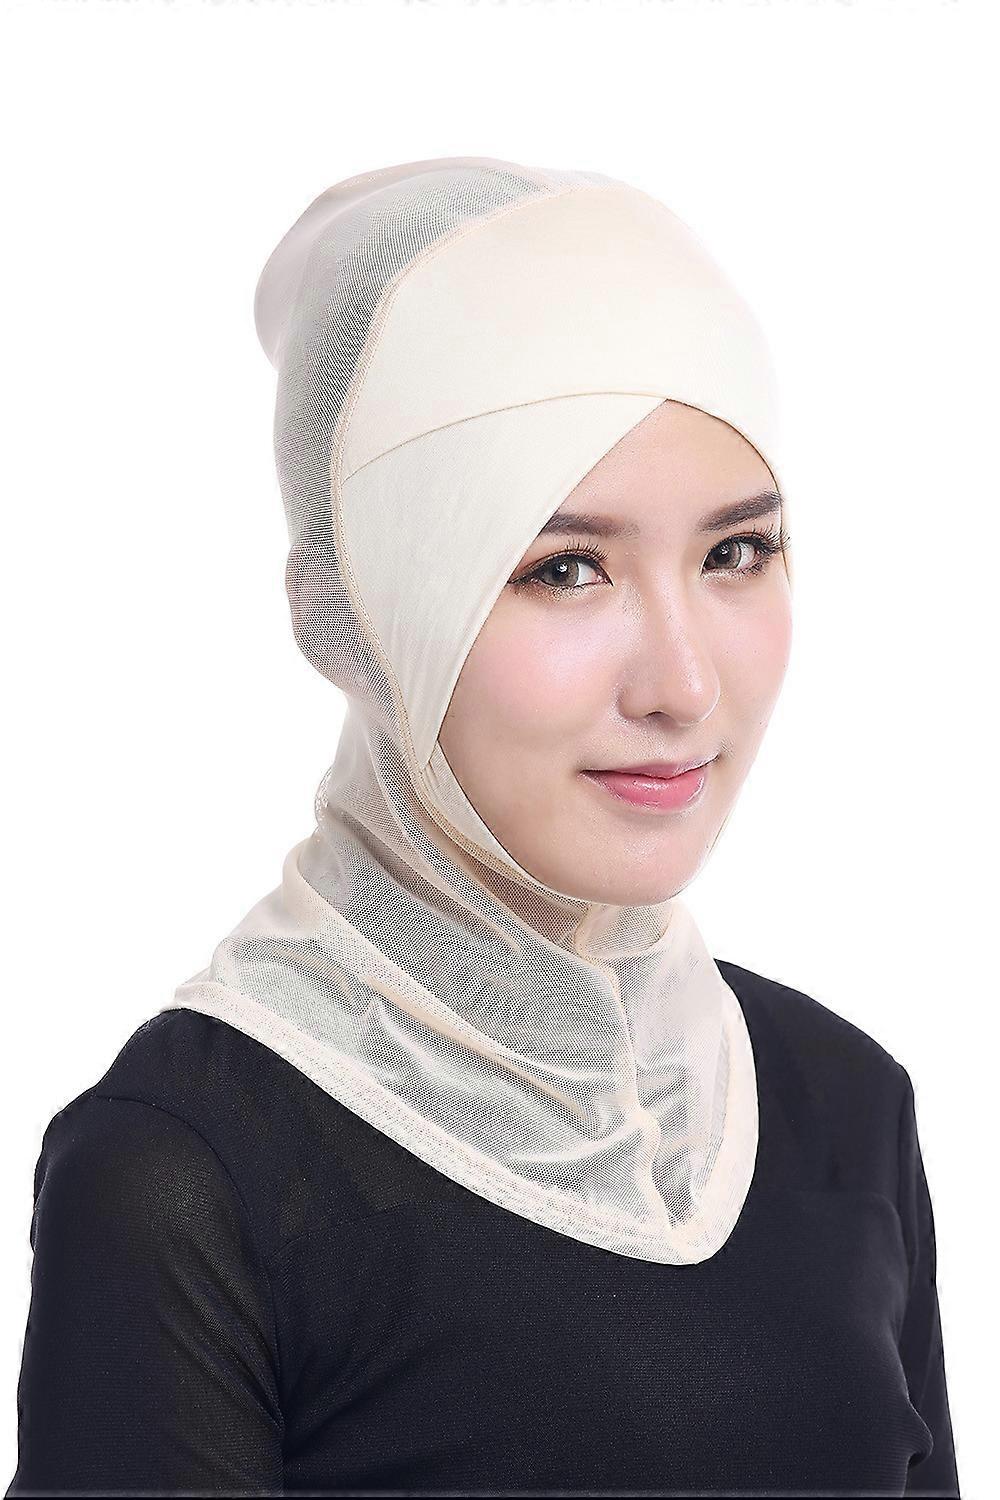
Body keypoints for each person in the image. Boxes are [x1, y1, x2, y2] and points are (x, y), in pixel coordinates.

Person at [6, 157, 959, 1497]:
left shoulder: (841, 1103)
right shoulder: (190, 1172)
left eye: (734, 552)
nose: (683, 685)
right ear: (372, 608)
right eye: (565, 568)